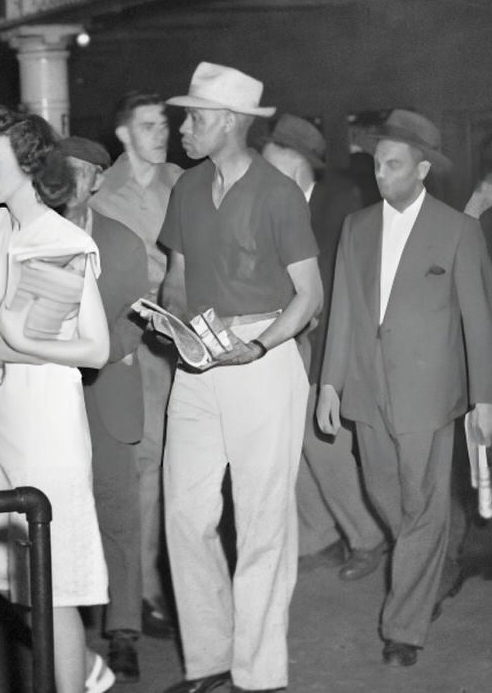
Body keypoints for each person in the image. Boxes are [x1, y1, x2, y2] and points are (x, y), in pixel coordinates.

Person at [156, 63, 322, 693]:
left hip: (263, 359)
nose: (184, 127)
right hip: (198, 360)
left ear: (228, 123)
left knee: (261, 521)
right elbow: (177, 273)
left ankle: (260, 674)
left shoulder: (278, 192)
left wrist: (257, 346)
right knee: (186, 512)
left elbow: (310, 295)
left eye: (195, 117)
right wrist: (169, 324)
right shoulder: (187, 189)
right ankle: (211, 661)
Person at [0, 105, 115, 693]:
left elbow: (93, 349)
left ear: (28, 163)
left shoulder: (58, 241)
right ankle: (85, 667)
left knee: (53, 584)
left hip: (45, 424)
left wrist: (15, 347)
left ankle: (75, 680)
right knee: (11, 579)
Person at [317, 109, 492, 668]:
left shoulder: (458, 229)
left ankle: (403, 628)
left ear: (421, 169)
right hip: (366, 390)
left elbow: (479, 321)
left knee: (422, 510)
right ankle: (438, 560)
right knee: (387, 498)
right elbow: (342, 307)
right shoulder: (357, 226)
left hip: (430, 394)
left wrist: (485, 400)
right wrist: (328, 384)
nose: (381, 175)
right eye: (377, 165)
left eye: (393, 166)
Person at [259, 114, 386, 580]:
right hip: (290, 336)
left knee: (324, 442)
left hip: (330, 340)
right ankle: (318, 535)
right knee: (290, 444)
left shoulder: (339, 204)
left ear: (294, 169)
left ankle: (367, 537)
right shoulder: (284, 206)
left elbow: (343, 286)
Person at [56, 136, 151, 684]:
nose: (75, 181)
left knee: (117, 514)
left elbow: (136, 318)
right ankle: (64, 623)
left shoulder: (123, 242)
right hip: (47, 398)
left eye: (86, 173)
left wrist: (96, 351)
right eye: (64, 170)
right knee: (59, 511)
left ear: (98, 181)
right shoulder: (32, 236)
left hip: (108, 392)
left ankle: (122, 631)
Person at [89, 91, 182, 640]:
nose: (160, 132)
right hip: (136, 343)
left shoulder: (183, 181)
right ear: (124, 133)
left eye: (163, 124)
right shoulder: (102, 191)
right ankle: (141, 591)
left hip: (191, 337)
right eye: (148, 125)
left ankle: (173, 584)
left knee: (185, 467)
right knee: (146, 467)